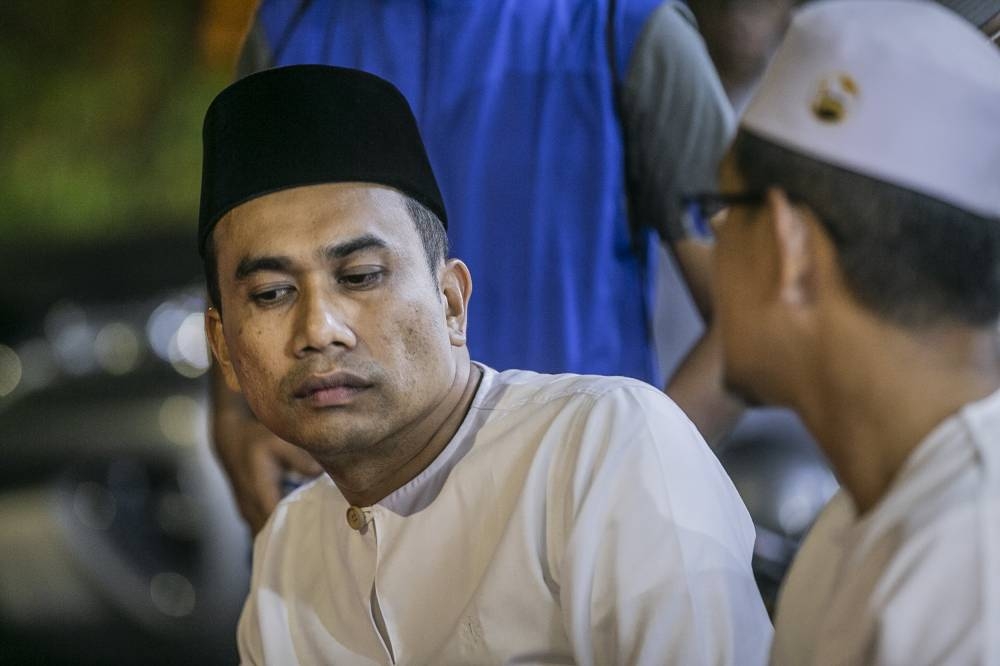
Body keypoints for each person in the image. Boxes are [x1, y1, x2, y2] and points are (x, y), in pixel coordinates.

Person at [199, 64, 771, 664]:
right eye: (270, 293)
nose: (318, 329)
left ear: (451, 303)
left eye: (361, 276)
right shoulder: (287, 554)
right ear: (225, 351)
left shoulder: (603, 449)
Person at [212, 0, 740, 534]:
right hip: (346, 520)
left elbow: (754, 313)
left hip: (566, 521)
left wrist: (624, 469)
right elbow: (241, 250)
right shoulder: (293, 25)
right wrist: (235, 416)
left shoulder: (620, 22)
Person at [691, 0, 1000, 662]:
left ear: (790, 249)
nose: (711, 241)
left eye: (724, 209)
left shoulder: (975, 577)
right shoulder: (848, 537)